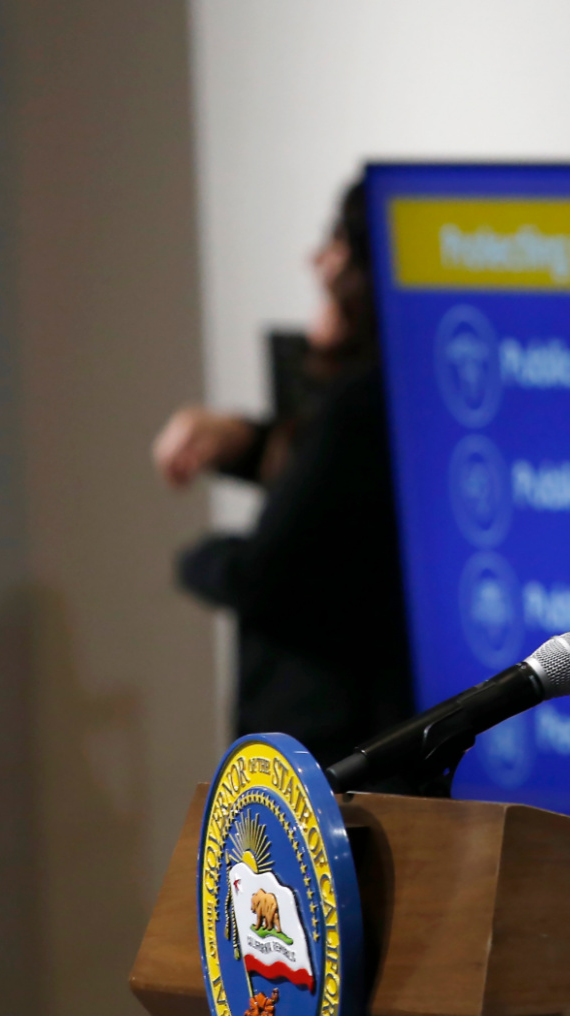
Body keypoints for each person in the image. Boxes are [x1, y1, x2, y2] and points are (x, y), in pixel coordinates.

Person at [155, 178, 414, 767]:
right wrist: (244, 442)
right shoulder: (388, 389)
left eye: (336, 243)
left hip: (328, 733)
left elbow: (264, 574)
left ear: (362, 269)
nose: (316, 261)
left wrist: (197, 558)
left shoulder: (358, 403)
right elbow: (334, 487)